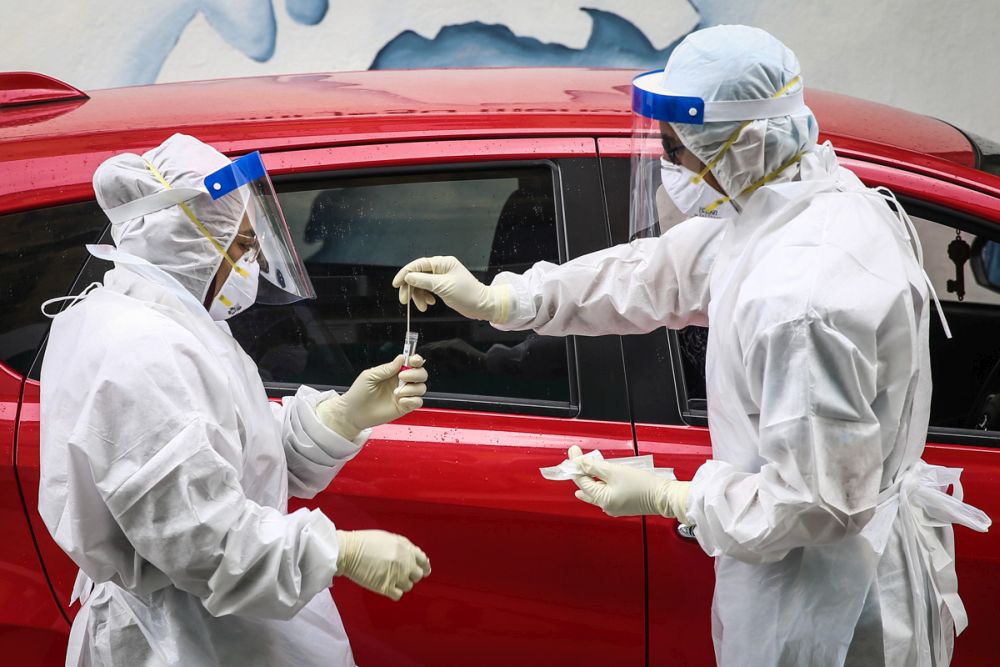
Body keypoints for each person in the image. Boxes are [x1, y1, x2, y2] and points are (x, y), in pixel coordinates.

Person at [392, 25, 991, 667]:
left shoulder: (801, 301)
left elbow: (813, 504)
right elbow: (657, 271)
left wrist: (671, 496)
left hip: (825, 609)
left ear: (745, 144)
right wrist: (504, 300)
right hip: (806, 578)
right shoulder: (796, 203)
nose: (670, 168)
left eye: (677, 152)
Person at [39, 133, 430, 667]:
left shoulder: (168, 318)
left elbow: (229, 454)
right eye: (243, 245)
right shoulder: (140, 352)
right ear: (185, 241)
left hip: (220, 630)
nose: (252, 262)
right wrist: (339, 551)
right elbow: (200, 539)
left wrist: (339, 416)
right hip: (185, 642)